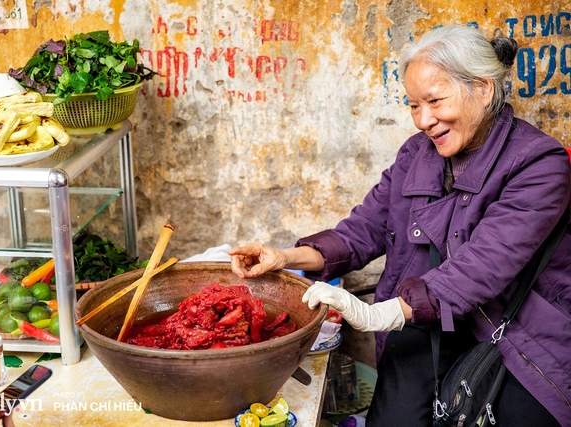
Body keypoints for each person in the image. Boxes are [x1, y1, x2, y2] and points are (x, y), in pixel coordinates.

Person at [230, 25, 570, 426]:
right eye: (412, 105)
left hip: (517, 333)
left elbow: (482, 267)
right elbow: (362, 232)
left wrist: (377, 315)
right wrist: (283, 257)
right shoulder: (417, 155)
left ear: (483, 89)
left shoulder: (539, 164)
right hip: (424, 320)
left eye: (435, 101)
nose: (423, 120)